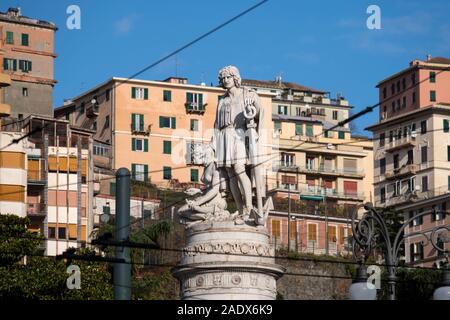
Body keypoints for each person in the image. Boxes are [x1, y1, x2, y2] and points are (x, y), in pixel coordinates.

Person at [214, 66, 263, 220]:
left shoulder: (247, 94)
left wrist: (251, 109)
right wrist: (213, 142)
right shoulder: (222, 100)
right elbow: (216, 123)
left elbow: (259, 112)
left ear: (235, 78)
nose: (225, 80)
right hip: (224, 135)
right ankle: (241, 209)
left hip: (240, 134)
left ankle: (249, 207)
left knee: (239, 168)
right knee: (230, 173)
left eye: (228, 77)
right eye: (223, 79)